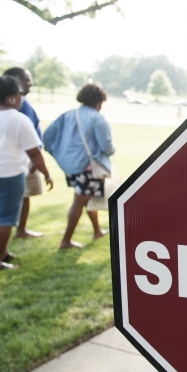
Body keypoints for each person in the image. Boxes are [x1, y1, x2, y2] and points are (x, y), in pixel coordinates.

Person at [0, 76, 54, 272]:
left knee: (0, 207)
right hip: (6, 175)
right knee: (5, 220)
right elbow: (34, 152)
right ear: (11, 97)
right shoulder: (18, 119)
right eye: (19, 94)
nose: (22, 98)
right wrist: (47, 174)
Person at [43, 84, 115, 249]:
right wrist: (111, 151)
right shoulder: (96, 118)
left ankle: (97, 231)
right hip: (88, 167)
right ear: (98, 101)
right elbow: (106, 147)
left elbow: (47, 137)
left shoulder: (68, 115)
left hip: (71, 167)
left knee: (87, 197)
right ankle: (66, 240)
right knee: (79, 202)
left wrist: (60, 154)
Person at [0, 67, 45, 238]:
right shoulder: (13, 106)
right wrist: (37, 165)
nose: (30, 84)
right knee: (18, 196)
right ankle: (11, 232)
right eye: (27, 80)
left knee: (14, 195)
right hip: (20, 160)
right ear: (15, 81)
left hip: (8, 161)